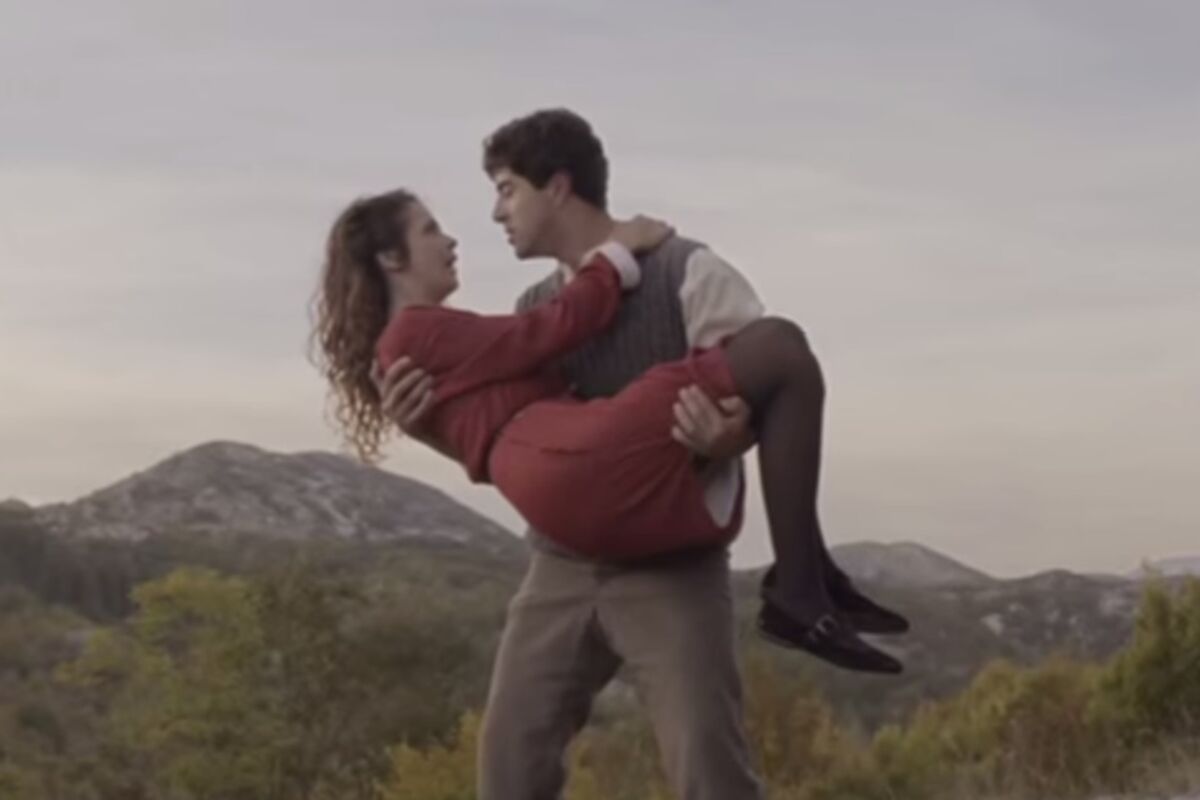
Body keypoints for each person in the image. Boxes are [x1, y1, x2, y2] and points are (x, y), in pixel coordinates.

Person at [330, 109, 906, 800]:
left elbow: (767, 402)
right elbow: (518, 442)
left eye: (507, 190)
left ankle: (806, 582)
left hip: (672, 567)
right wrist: (427, 427)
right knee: (510, 764)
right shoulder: (535, 304)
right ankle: (807, 584)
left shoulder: (687, 270)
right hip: (563, 563)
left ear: (557, 187)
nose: (494, 214)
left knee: (710, 770)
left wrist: (735, 437)